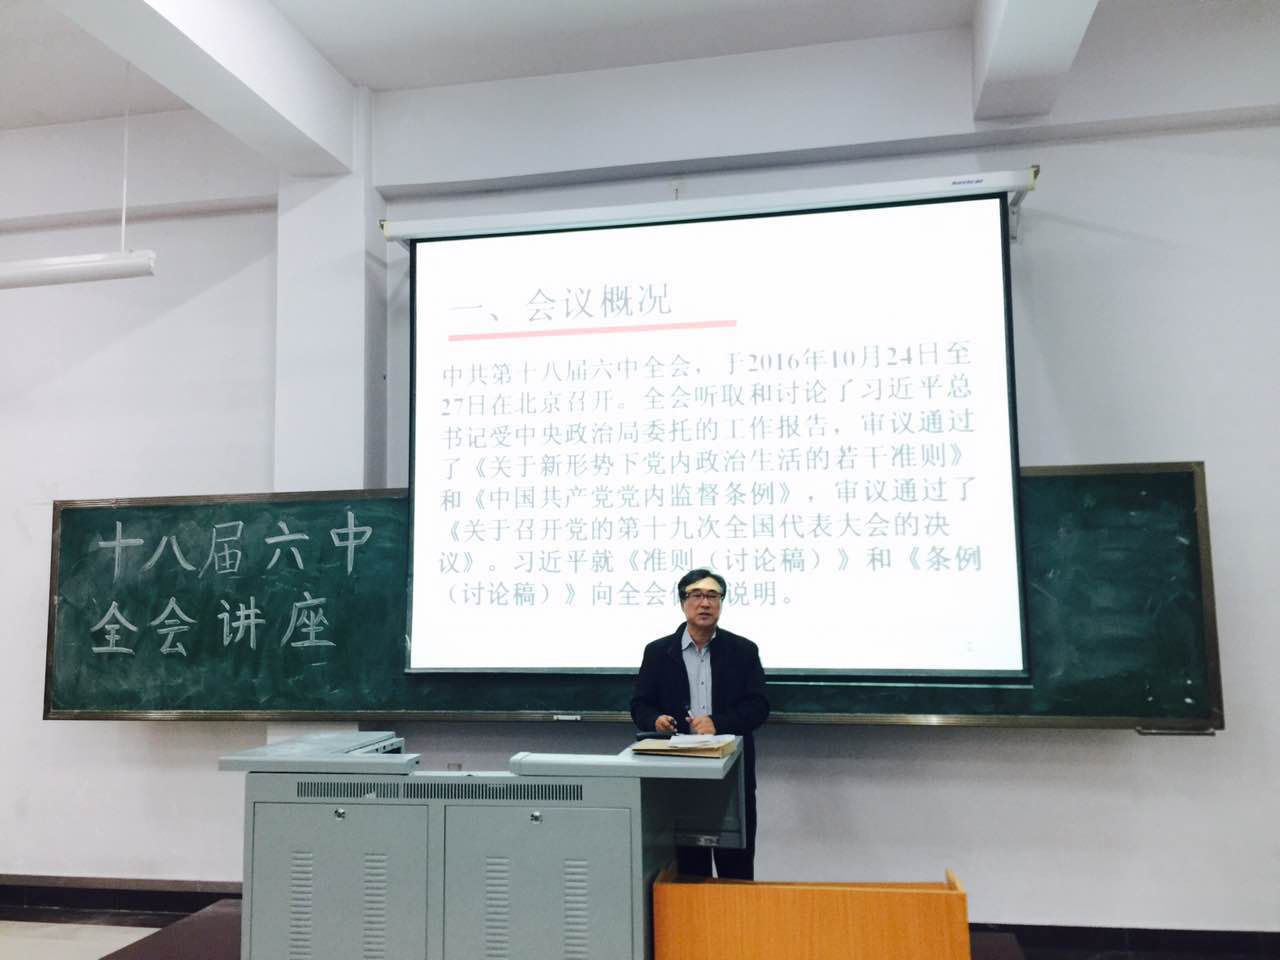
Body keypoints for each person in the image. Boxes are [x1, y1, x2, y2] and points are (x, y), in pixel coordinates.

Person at [629, 568, 769, 879]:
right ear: (683, 603)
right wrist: (655, 720)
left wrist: (717, 723)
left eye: (712, 596)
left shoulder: (743, 651)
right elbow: (640, 705)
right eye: (696, 595)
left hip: (731, 773)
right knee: (688, 869)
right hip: (677, 776)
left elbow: (758, 706)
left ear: (721, 603)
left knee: (736, 868)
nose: (704, 603)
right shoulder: (658, 652)